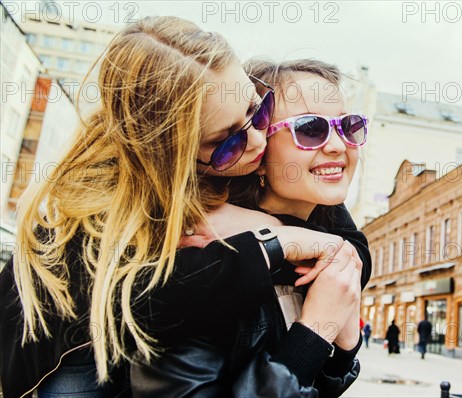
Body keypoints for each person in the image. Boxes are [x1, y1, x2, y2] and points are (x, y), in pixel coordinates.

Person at [0, 18, 368, 398]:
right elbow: (150, 298)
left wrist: (343, 342)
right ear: (174, 156)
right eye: (226, 141)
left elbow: (351, 245)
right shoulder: (134, 229)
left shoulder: (243, 217)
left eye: (258, 110)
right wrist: (276, 247)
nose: (258, 139)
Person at [129, 58, 370, 396]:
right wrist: (315, 331)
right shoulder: (208, 259)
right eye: (310, 128)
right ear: (255, 146)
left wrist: (345, 350)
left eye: (348, 125)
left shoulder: (321, 242)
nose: (337, 145)